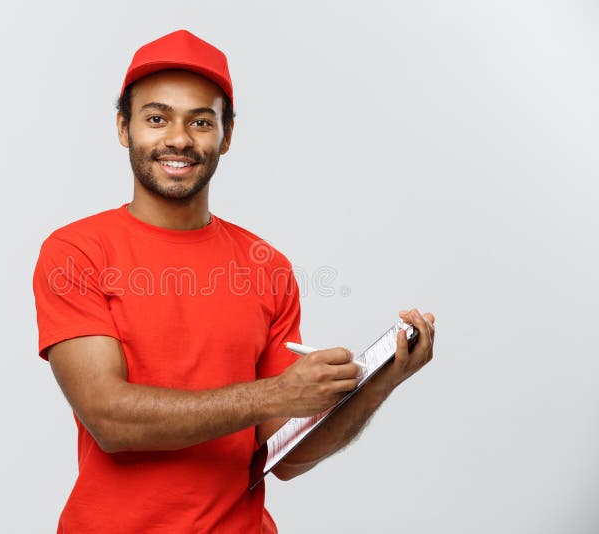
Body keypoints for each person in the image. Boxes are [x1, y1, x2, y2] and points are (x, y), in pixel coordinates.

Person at [32, 29, 436, 534]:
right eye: (156, 118)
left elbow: (283, 457)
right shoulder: (76, 253)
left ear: (226, 136)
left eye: (201, 122)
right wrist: (278, 394)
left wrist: (379, 383)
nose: (178, 139)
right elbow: (110, 420)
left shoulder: (267, 266)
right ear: (122, 127)